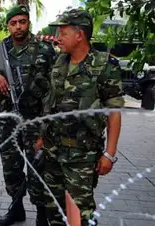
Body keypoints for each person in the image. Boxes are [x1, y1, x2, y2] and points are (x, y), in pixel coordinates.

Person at [40, 8, 124, 226]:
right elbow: (51, 104)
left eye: (64, 32)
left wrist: (109, 154)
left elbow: (114, 111)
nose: (59, 37)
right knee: (54, 211)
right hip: (53, 152)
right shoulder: (59, 63)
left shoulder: (104, 65)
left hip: (82, 156)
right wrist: (42, 136)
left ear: (80, 35)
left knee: (79, 214)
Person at [0, 5, 55, 226]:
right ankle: (16, 209)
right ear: (8, 25)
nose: (18, 27)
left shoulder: (44, 49)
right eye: (13, 23)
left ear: (29, 23)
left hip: (35, 120)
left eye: (22, 22)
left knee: (38, 169)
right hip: (8, 120)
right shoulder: (0, 49)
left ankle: (42, 215)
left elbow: (54, 87)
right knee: (11, 168)